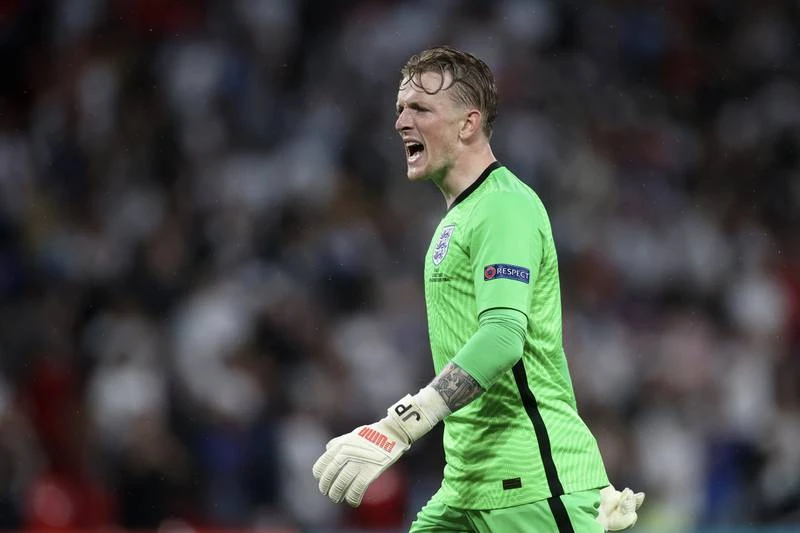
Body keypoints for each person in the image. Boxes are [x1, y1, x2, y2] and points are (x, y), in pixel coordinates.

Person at [312, 45, 644, 532]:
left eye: (420, 109)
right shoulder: (460, 216)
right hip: (466, 488)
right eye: (400, 109)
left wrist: (400, 426)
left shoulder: (503, 206)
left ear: (468, 124)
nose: (401, 122)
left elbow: (503, 337)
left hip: (530, 484)